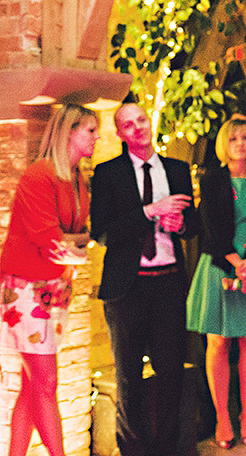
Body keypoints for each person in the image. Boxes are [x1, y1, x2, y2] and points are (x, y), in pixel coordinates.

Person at [91, 101, 196, 456]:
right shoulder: (108, 173)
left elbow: (193, 225)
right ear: (119, 133)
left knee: (171, 374)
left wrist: (181, 224)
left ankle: (168, 448)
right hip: (127, 287)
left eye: (142, 120)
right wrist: (150, 211)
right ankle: (133, 450)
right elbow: (102, 233)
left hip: (168, 283)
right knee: (128, 377)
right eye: (128, 124)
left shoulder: (178, 170)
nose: (138, 128)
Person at [0, 105, 98, 456]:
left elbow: (76, 236)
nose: (97, 137)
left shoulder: (76, 178)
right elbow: (50, 239)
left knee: (32, 384)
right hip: (26, 289)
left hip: (55, 289)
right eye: (90, 130)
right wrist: (78, 250)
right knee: (47, 382)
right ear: (68, 132)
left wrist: (74, 250)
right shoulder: (38, 175)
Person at [185, 118, 246, 448]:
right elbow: (208, 225)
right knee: (218, 343)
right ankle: (222, 418)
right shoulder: (213, 178)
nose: (240, 143)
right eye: (233, 139)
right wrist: (237, 262)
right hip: (220, 262)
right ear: (223, 145)